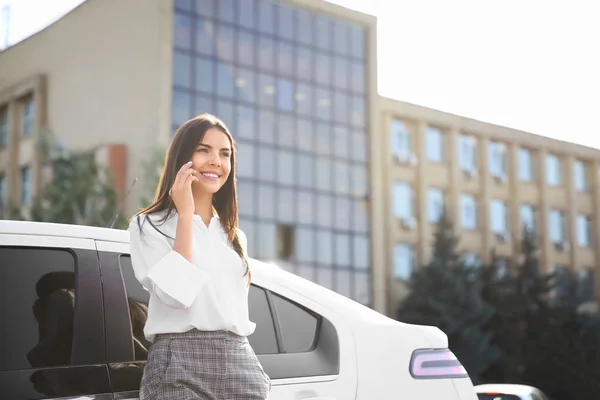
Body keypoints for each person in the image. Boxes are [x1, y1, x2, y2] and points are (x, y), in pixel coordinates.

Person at [128, 114, 271, 399]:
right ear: (184, 155)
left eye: (225, 154)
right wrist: (185, 215)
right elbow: (178, 293)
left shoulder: (234, 236)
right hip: (178, 360)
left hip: (239, 360)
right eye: (204, 150)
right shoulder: (147, 226)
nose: (216, 161)